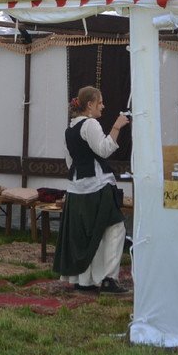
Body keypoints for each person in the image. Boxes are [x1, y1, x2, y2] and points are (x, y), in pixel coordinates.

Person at [53, 86, 130, 294]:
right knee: (115, 228)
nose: (103, 106)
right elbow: (104, 150)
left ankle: (84, 280)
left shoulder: (70, 129)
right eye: (100, 102)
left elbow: (70, 162)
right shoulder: (90, 124)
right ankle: (109, 279)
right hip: (97, 187)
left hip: (77, 188)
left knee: (87, 234)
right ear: (89, 105)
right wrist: (116, 127)